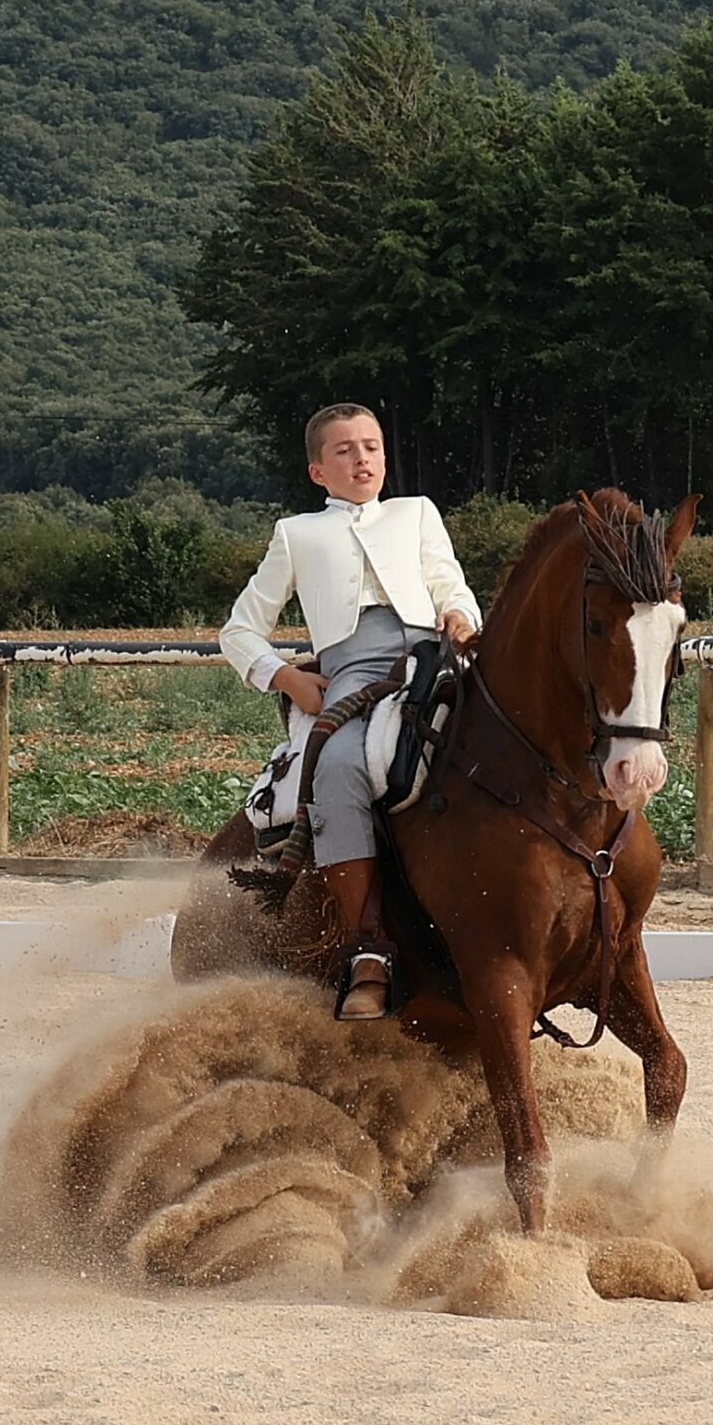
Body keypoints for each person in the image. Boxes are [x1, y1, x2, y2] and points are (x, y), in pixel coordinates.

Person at [217, 403, 481, 1019]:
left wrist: (462, 616)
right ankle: (367, 947)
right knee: (336, 763)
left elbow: (451, 584)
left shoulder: (417, 513)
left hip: (433, 651)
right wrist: (287, 677)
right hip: (353, 668)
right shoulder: (296, 534)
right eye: (345, 451)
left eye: (372, 447)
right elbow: (238, 631)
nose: (362, 459)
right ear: (318, 471)